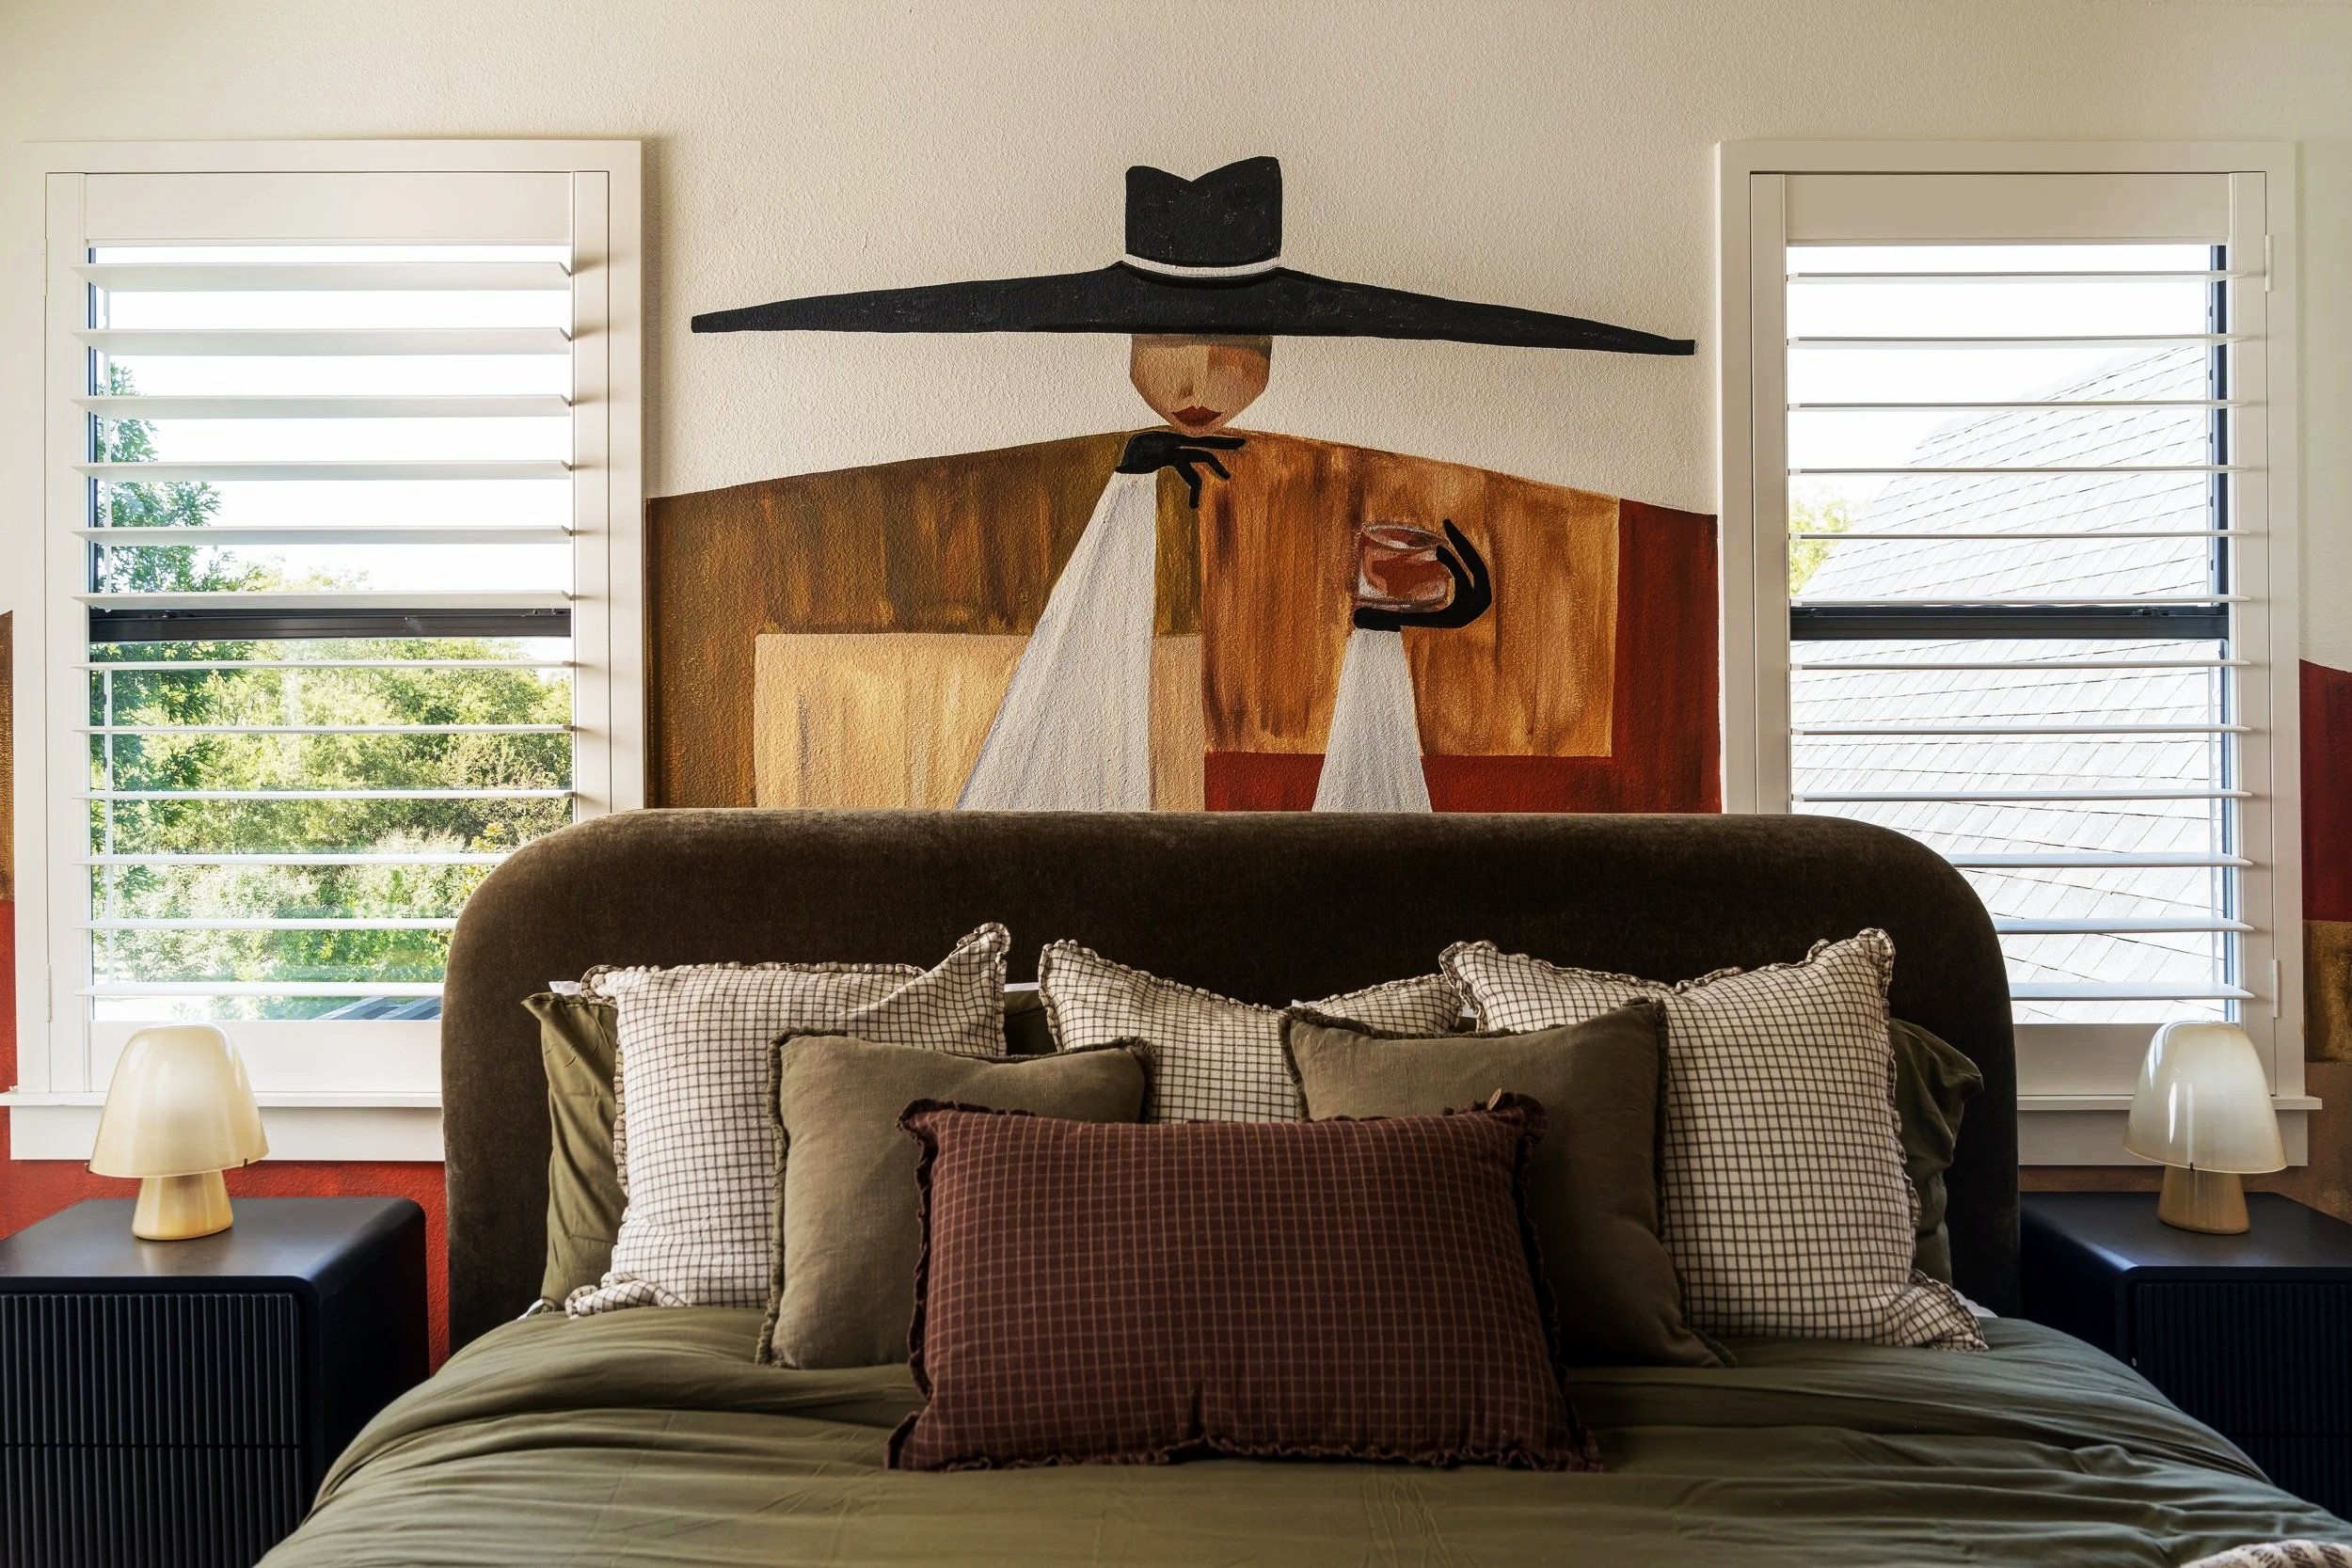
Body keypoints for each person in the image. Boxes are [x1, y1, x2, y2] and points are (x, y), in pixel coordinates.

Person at [692, 156, 1686, 810]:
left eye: (1237, 353)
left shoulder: (1333, 471)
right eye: (1170, 347)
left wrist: (1396, 629)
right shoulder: (1066, 475)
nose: (1201, 384)